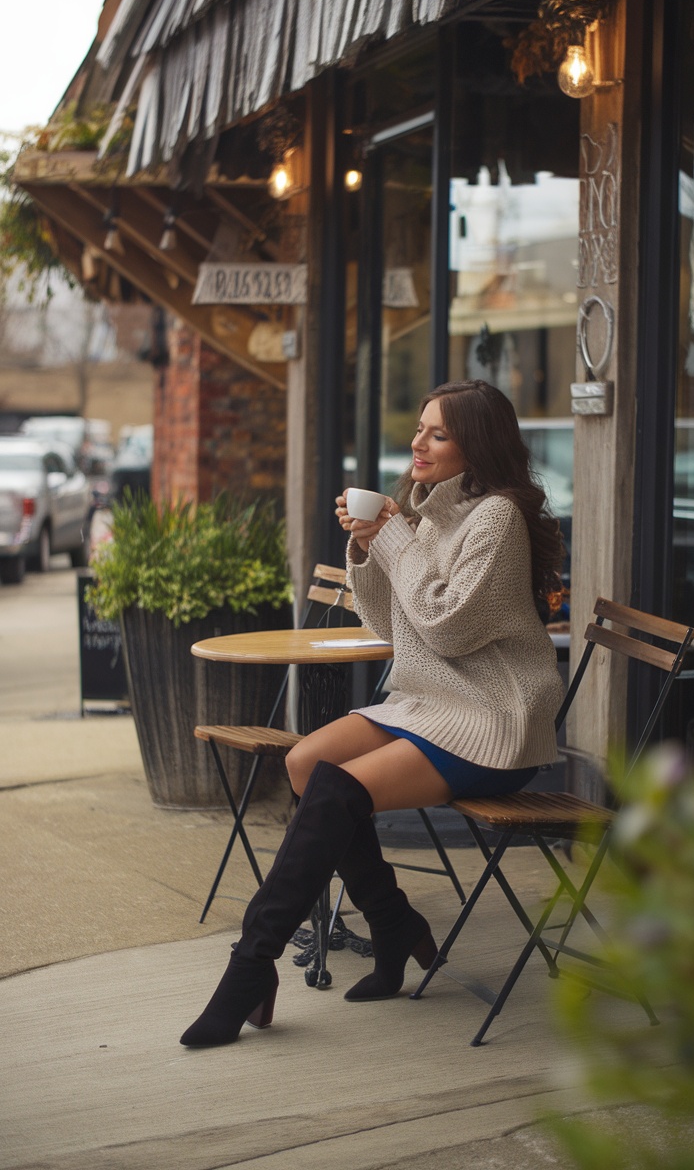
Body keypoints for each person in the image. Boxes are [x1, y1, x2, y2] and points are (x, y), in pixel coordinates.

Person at [180, 379, 564, 1048]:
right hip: (427, 703)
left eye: (437, 433)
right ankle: (392, 924)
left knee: (337, 789)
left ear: (477, 445)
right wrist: (368, 548)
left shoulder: (496, 517)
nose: (418, 442)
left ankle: (251, 965)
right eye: (419, 428)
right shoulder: (436, 513)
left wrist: (392, 537)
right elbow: (397, 625)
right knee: (305, 763)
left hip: (490, 722)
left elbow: (444, 627)